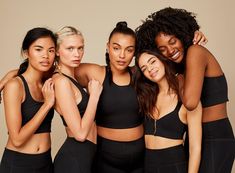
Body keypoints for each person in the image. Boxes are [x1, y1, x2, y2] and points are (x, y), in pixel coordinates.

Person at [135, 7, 235, 173]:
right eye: (162, 49)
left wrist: (178, 77)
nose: (170, 50)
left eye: (173, 41)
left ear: (182, 35)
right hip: (194, 134)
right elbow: (148, 66)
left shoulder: (195, 52)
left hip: (215, 136)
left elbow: (190, 102)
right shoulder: (179, 64)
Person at [134, 49, 202, 173]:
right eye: (144, 68)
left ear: (162, 59)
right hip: (147, 164)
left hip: (173, 165)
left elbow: (195, 148)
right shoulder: (146, 97)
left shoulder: (187, 97)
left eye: (152, 61)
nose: (150, 69)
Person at [0, 27, 56, 173]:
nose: (46, 56)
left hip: (45, 162)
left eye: (50, 50)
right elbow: (17, 139)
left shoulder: (49, 81)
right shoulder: (15, 85)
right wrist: (47, 105)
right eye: (39, 49)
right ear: (26, 53)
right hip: (19, 164)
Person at [52, 26, 102, 173]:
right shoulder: (61, 81)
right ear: (57, 51)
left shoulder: (71, 77)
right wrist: (93, 96)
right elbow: (80, 134)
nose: (77, 54)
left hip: (86, 155)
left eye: (80, 48)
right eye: (70, 48)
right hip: (74, 159)